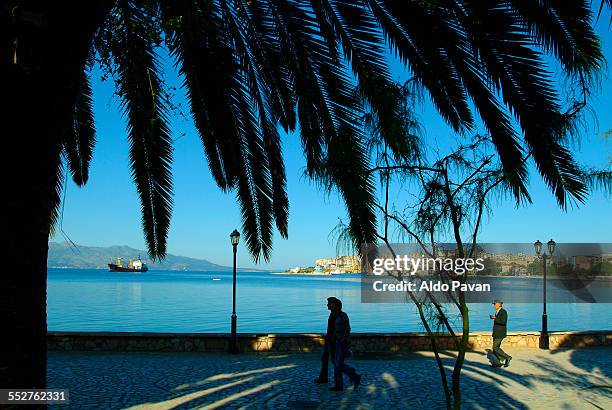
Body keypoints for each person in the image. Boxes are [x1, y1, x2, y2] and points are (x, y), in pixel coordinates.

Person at [329, 298, 361, 391]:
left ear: (336, 306)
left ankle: (354, 375)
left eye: (331, 305)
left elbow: (348, 328)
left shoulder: (343, 315)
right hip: (337, 342)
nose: (329, 306)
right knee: (337, 364)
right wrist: (333, 338)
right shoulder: (336, 316)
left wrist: (343, 339)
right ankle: (339, 385)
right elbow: (337, 329)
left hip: (342, 343)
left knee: (338, 364)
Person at [314, 297, 339, 384]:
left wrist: (332, 338)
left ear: (333, 304)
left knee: (333, 360)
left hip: (332, 341)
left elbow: (336, 329)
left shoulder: (336, 315)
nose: (327, 305)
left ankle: (351, 373)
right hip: (329, 340)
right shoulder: (333, 314)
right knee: (325, 359)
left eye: (329, 303)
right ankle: (323, 378)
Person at [490, 299, 512, 367]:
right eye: (494, 304)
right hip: (496, 332)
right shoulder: (497, 312)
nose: (494, 305)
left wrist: (495, 318)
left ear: (499, 304)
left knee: (495, 347)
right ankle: (496, 363)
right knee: (495, 348)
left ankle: (507, 357)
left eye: (495, 304)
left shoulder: (503, 312)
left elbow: (503, 322)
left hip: (500, 333)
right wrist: (495, 318)